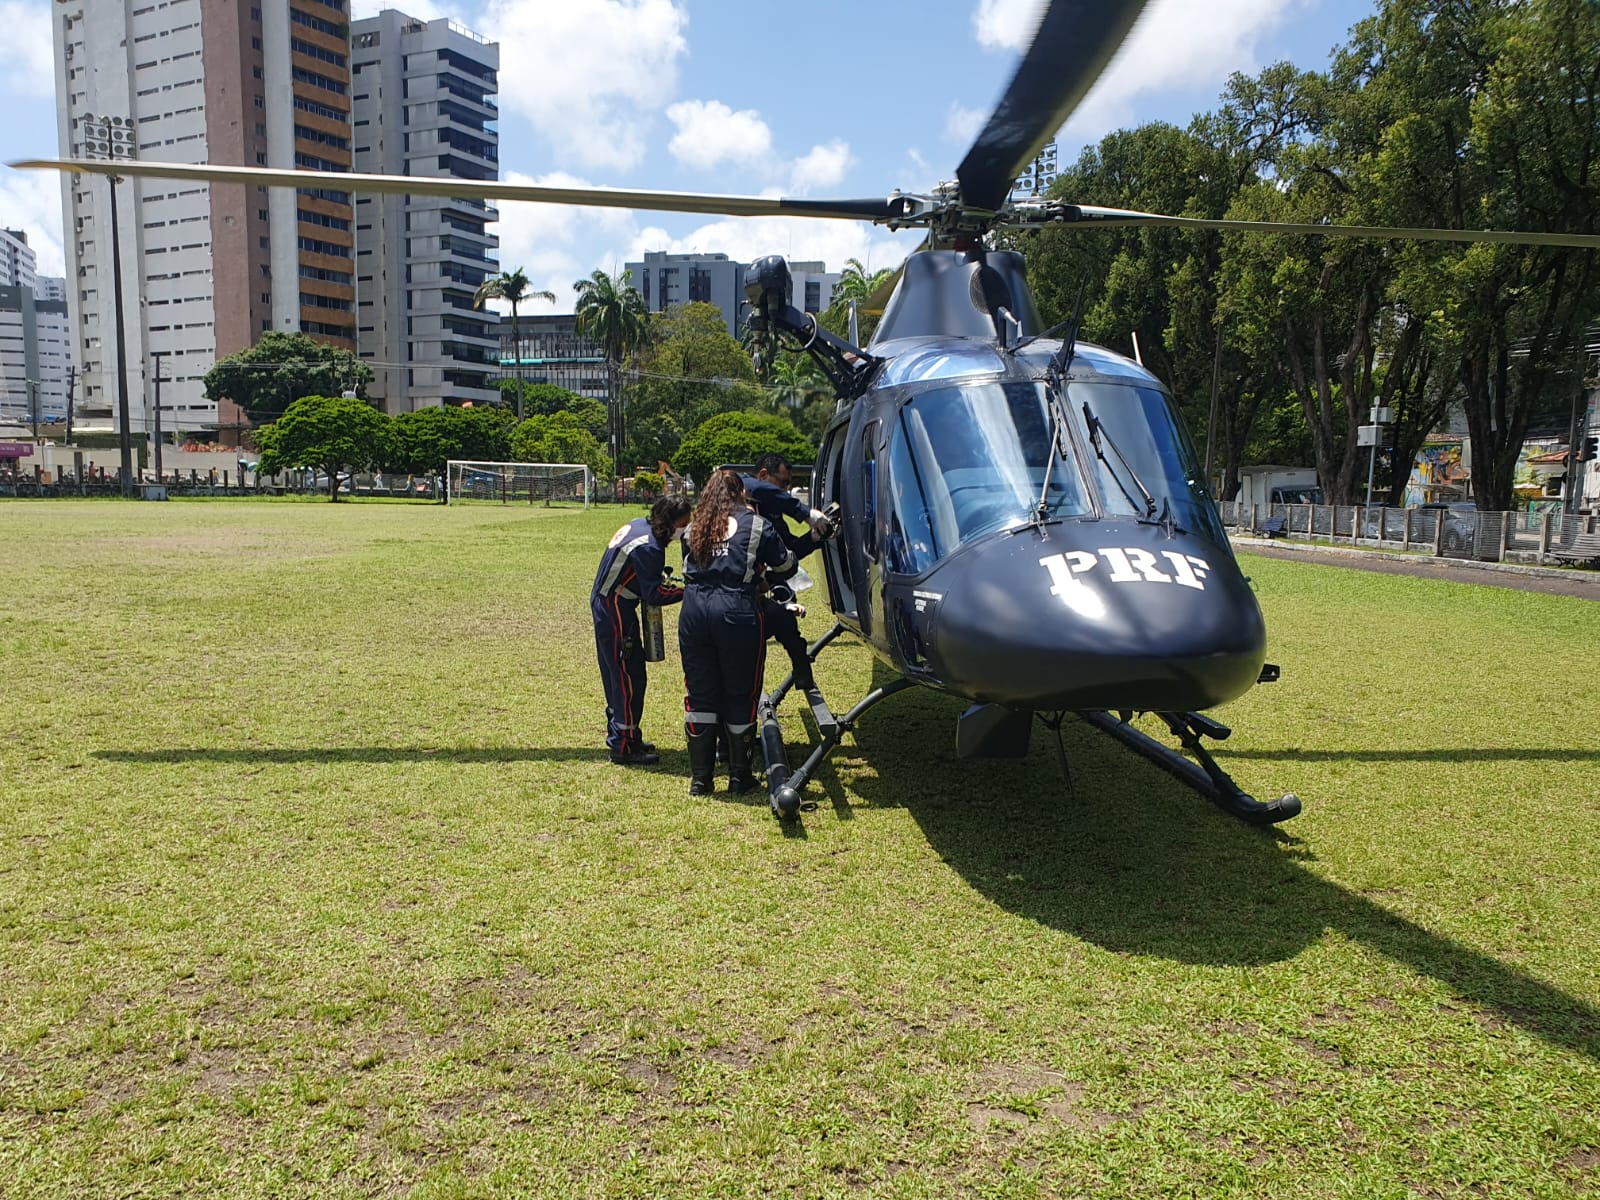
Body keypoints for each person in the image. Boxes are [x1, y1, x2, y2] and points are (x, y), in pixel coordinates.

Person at [680, 470, 799, 795]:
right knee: (740, 690)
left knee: (701, 692)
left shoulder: (694, 527)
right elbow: (786, 567)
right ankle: (738, 775)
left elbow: (690, 564)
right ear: (741, 492)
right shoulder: (756, 524)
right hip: (736, 610)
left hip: (693, 610)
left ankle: (700, 779)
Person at [592, 495, 693, 766]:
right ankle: (623, 746)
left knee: (621, 673)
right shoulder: (650, 547)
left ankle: (626, 734)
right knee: (627, 676)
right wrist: (690, 591)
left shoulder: (639, 525)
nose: (686, 529)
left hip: (611, 604)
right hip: (615, 608)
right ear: (671, 522)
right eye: (684, 524)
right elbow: (654, 593)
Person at [738, 453, 839, 694]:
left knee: (784, 620)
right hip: (735, 592)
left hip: (755, 587)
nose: (785, 492)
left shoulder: (771, 512)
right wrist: (805, 513)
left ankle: (802, 670)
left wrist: (816, 537)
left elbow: (788, 551)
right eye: (782, 484)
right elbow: (752, 486)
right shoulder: (741, 491)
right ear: (764, 475)